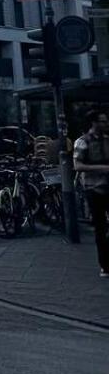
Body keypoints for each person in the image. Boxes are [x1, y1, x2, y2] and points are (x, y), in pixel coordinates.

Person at [73, 110, 109, 278]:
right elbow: (78, 166)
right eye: (102, 121)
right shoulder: (82, 142)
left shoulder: (108, 140)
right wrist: (102, 169)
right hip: (94, 188)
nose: (105, 124)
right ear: (93, 123)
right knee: (100, 228)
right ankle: (105, 265)